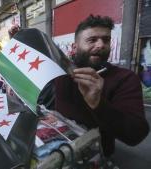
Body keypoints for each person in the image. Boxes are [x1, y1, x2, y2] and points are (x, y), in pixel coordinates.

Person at [53, 15, 149, 156]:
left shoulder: (124, 78)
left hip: (98, 157)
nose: (101, 45)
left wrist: (98, 103)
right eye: (92, 40)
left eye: (106, 40)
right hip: (57, 152)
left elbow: (136, 134)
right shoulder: (61, 74)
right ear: (75, 47)